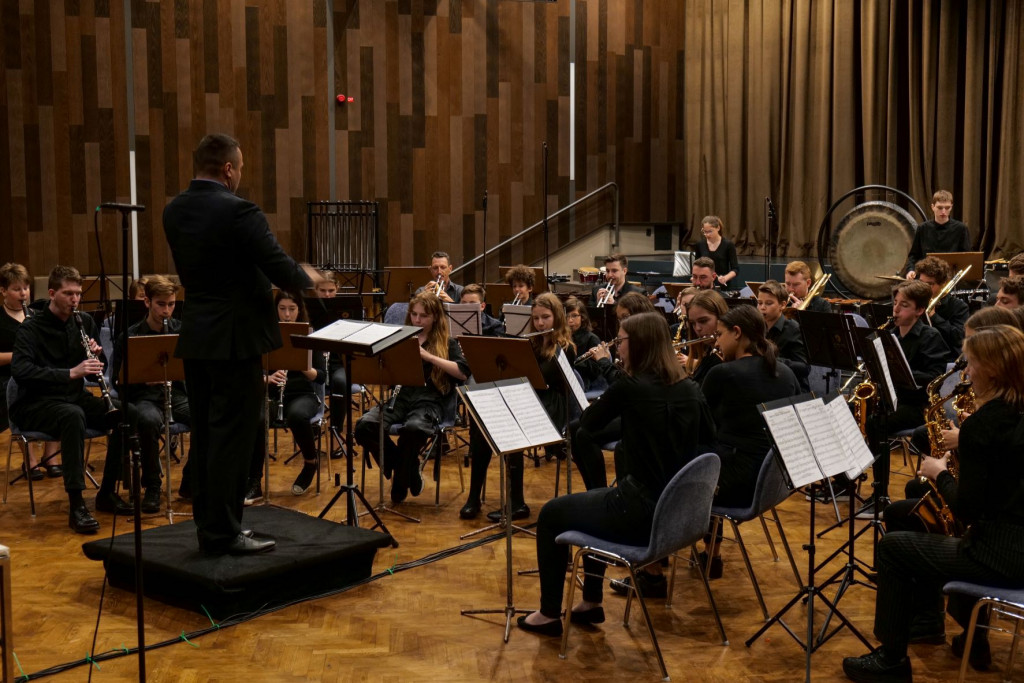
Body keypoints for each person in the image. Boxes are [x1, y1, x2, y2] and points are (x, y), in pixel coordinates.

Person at [842, 325, 1024, 682]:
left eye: (971, 364)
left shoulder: (986, 424)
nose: (967, 374)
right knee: (913, 519)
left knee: (893, 548)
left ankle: (891, 661)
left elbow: (966, 510)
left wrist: (940, 472)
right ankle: (931, 624)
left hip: (1001, 556)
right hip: (1015, 542)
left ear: (992, 369)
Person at [516, 312, 716, 637]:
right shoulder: (690, 388)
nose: (618, 346)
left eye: (621, 340)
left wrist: (616, 381)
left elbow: (588, 425)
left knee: (552, 513)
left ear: (638, 345)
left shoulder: (631, 387)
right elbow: (709, 441)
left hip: (639, 513)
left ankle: (549, 614)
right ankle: (590, 603)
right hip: (680, 514)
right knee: (598, 500)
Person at [163, 133, 315, 555]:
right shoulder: (239, 210)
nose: (241, 174)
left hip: (198, 337)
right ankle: (225, 533)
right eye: (241, 167)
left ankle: (209, 526)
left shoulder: (174, 210)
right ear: (228, 169)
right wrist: (309, 279)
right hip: (236, 341)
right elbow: (277, 265)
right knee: (234, 438)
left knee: (207, 436)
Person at [10, 265, 139, 534]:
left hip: (73, 398)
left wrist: (97, 357)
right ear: (52, 293)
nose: (75, 299)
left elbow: (97, 369)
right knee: (73, 415)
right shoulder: (31, 328)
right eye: (68, 293)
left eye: (78, 294)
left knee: (126, 413)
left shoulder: (84, 322)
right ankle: (77, 504)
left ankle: (107, 493)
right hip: (35, 404)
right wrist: (70, 373)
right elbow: (21, 371)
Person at [700, 304, 801, 576]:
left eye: (720, 334)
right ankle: (710, 555)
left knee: (678, 463)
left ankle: (656, 562)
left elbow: (698, 424)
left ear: (737, 333)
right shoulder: (786, 372)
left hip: (737, 485)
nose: (717, 342)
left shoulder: (723, 373)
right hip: (772, 483)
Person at [460, 293, 575, 520]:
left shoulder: (565, 348)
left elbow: (540, 379)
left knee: (510, 429)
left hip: (550, 408)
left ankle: (517, 502)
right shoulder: (531, 344)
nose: (540, 323)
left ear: (557, 317)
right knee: (482, 424)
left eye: (546, 317)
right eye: (536, 318)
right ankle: (474, 497)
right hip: (526, 401)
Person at [355, 292, 469, 503]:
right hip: (400, 397)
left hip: (429, 401)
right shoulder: (401, 339)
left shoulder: (448, 342)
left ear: (435, 317)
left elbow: (463, 373)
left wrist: (429, 357)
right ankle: (407, 467)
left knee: (414, 429)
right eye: (414, 314)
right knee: (364, 426)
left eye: (424, 316)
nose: (417, 320)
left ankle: (400, 479)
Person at [861, 280, 949, 518]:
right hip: (894, 400)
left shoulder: (931, 337)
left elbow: (935, 378)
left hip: (918, 406)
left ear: (919, 310)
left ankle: (880, 495)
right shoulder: (891, 335)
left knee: (877, 423)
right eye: (895, 303)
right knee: (851, 412)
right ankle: (844, 482)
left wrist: (901, 372)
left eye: (904, 305)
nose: (896, 309)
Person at [109, 275, 191, 513]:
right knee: (147, 420)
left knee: (209, 416)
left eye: (171, 304)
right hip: (145, 396)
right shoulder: (130, 336)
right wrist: (145, 379)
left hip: (176, 395)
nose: (167, 311)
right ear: (147, 302)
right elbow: (118, 382)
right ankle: (152, 486)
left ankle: (191, 481)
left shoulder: (181, 331)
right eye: (161, 304)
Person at [0, 263, 62, 478]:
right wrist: (21, 356)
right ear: (3, 291)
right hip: (8, 376)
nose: (23, 293)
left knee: (61, 390)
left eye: (26, 288)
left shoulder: (38, 316)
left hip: (36, 372)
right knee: (14, 393)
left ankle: (51, 456)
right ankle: (30, 460)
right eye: (17, 289)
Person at [265, 291, 328, 497]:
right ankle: (254, 479)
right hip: (272, 395)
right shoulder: (267, 334)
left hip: (302, 394)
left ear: (299, 310)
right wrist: (268, 378)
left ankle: (310, 462)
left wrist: (301, 364)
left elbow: (321, 377)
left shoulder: (308, 335)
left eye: (291, 309)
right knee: (256, 418)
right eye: (282, 309)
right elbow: (254, 370)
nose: (286, 315)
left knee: (297, 415)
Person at [904, 190, 972, 278]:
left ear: (951, 207)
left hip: (950, 277)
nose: (943, 212)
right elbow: (913, 256)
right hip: (927, 276)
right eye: (940, 208)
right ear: (933, 207)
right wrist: (910, 270)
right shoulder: (923, 228)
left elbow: (966, 258)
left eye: (947, 208)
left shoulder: (961, 229)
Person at [757, 280, 810, 390]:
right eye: (760, 303)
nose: (762, 307)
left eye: (768, 303)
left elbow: (804, 368)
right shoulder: (757, 327)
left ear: (782, 305)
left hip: (791, 388)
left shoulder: (793, 329)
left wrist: (772, 361)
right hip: (766, 384)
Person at [914, 256, 969, 358]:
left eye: (929, 284)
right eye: (921, 283)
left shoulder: (959, 307)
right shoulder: (915, 302)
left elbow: (959, 338)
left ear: (943, 284)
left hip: (945, 358)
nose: (923, 288)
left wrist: (934, 317)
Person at [681, 289, 728, 385]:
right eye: (693, 323)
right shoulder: (709, 355)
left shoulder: (723, 360)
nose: (697, 328)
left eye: (703, 321)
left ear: (720, 317)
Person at [694, 216, 744, 291]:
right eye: (705, 232)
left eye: (710, 231)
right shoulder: (700, 245)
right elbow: (696, 266)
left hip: (722, 286)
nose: (707, 235)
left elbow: (735, 269)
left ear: (718, 228)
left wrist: (725, 278)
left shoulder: (728, 245)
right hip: (704, 286)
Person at [564, 297, 602, 391]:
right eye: (566, 316)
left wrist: (576, 358)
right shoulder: (560, 337)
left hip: (582, 382)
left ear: (583, 318)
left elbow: (596, 371)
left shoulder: (591, 339)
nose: (570, 320)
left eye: (574, 316)